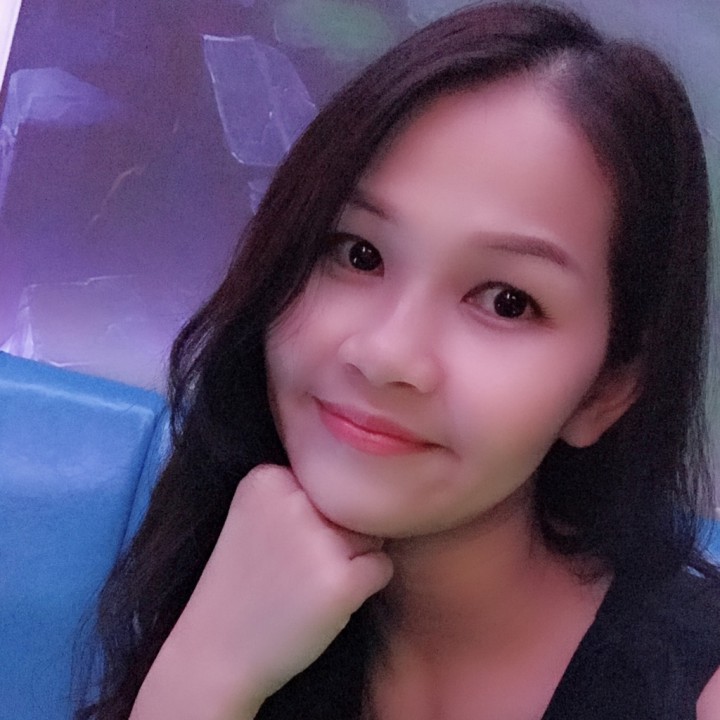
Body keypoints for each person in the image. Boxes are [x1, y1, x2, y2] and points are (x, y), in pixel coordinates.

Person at [74, 3, 720, 719]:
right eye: (359, 254)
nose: (386, 354)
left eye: (507, 301)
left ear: (607, 390)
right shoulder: (222, 563)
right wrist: (205, 673)